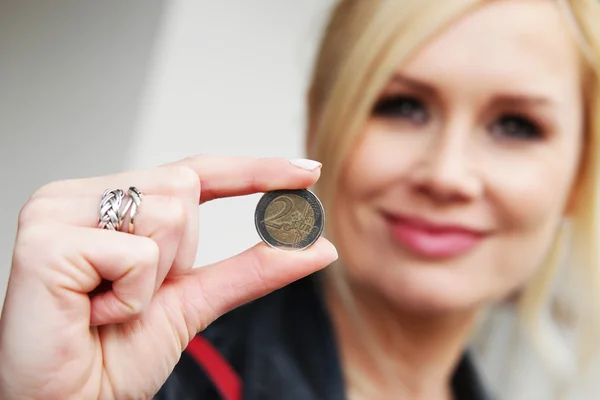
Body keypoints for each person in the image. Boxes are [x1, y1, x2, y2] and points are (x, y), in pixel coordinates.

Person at [2, 0, 600, 399]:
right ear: (321, 125)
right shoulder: (150, 384)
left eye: (516, 125)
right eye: (403, 106)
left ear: (578, 172)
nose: (447, 175)